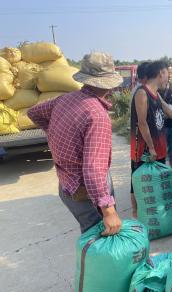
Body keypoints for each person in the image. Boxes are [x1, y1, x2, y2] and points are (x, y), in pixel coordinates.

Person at [28, 52, 123, 236]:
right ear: (109, 84)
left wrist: (53, 131)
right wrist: (108, 210)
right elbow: (94, 169)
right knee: (101, 241)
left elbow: (34, 113)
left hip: (66, 185)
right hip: (85, 192)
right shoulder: (97, 115)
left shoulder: (65, 99)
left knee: (90, 235)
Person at [130, 60, 172, 218]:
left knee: (155, 184)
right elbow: (142, 123)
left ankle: (155, 217)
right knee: (141, 184)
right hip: (145, 149)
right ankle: (138, 216)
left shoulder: (156, 94)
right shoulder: (142, 93)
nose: (168, 78)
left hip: (158, 148)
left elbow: (171, 113)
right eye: (166, 74)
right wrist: (150, 147)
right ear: (160, 74)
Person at [130, 61, 149, 199]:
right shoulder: (140, 92)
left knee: (138, 174)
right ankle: (136, 210)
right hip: (139, 142)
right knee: (137, 175)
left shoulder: (141, 90)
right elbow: (142, 122)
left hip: (140, 140)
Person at [158, 65, 172, 177]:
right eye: (168, 73)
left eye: (171, 73)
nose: (170, 75)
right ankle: (162, 179)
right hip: (161, 127)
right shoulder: (156, 89)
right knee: (161, 154)